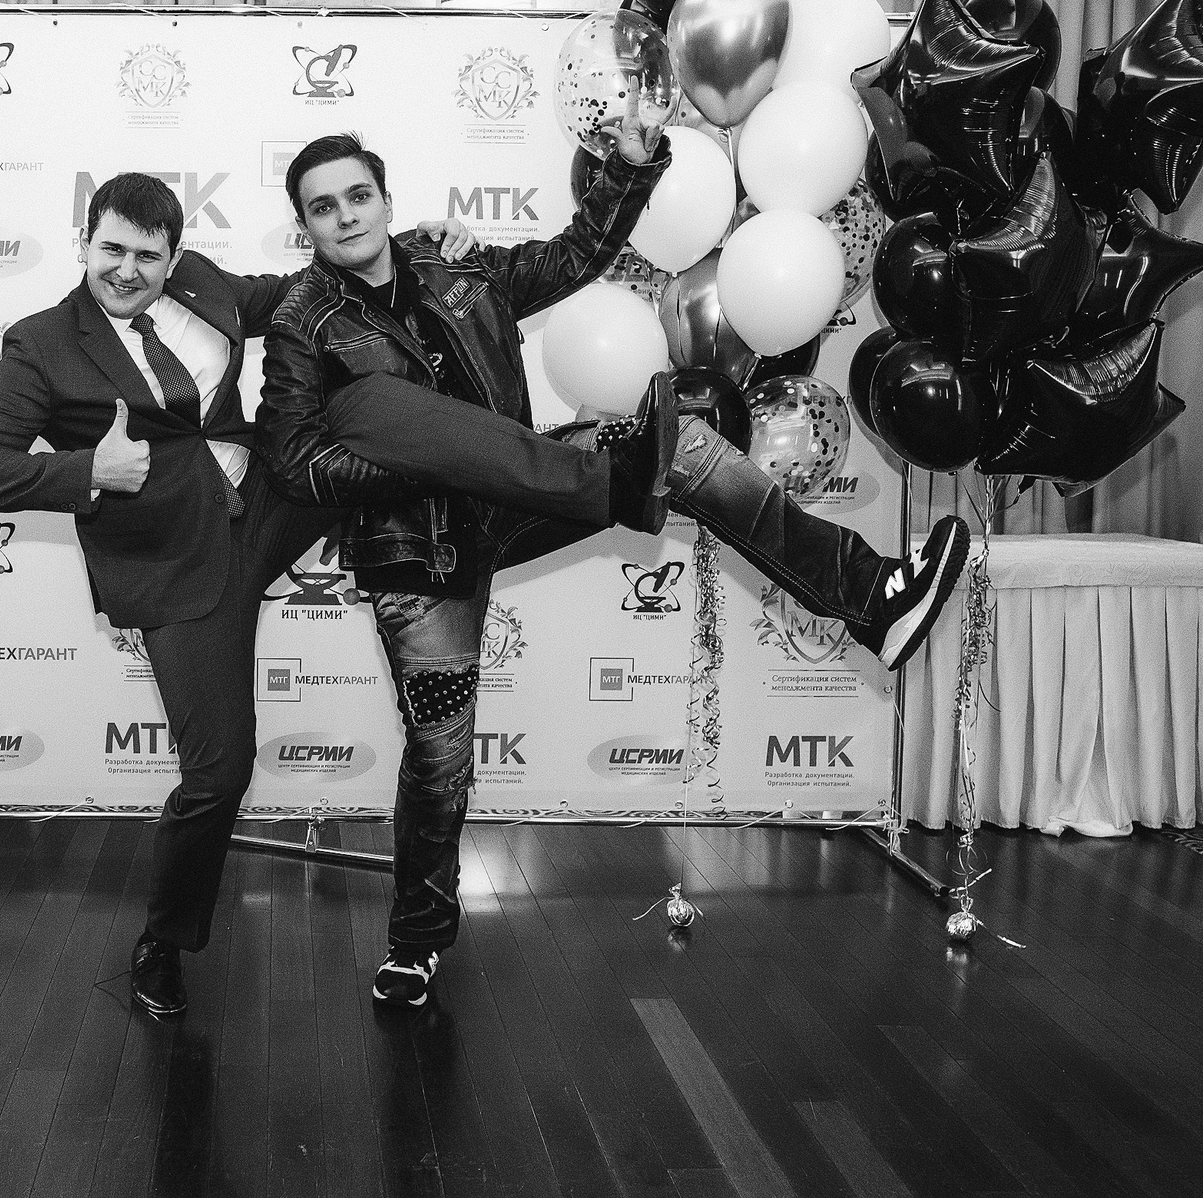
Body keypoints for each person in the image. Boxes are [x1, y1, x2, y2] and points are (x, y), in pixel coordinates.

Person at [257, 124, 972, 1008]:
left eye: (357, 195)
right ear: (305, 226)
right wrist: (430, 462)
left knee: (685, 450)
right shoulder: (302, 321)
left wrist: (632, 168)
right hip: (417, 556)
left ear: (385, 198)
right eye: (323, 207)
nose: (346, 216)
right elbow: (295, 461)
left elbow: (572, 257)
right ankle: (415, 943)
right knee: (440, 760)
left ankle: (872, 596)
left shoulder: (451, 264)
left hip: (522, 498)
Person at [0, 173, 476, 1017]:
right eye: (111, 250)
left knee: (366, 414)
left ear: (174, 256)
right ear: (85, 242)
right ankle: (164, 940)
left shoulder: (201, 285)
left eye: (147, 256)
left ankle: (523, 492)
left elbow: (306, 284)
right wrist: (87, 470)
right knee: (220, 771)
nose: (127, 270)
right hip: (174, 561)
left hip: (263, 500)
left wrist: (416, 245)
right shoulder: (42, 345)